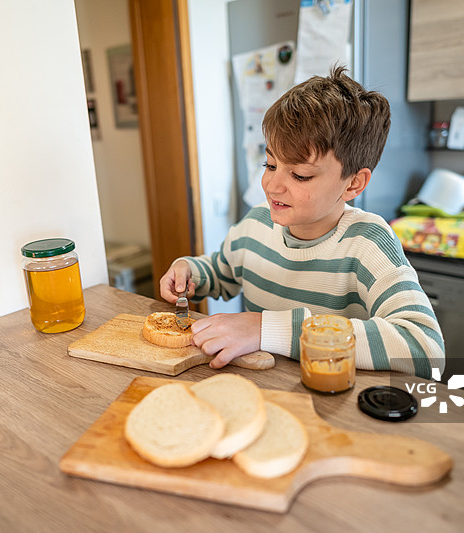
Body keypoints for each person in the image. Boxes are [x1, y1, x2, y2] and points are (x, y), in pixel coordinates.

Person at [159, 66, 445, 378]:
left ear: (353, 184)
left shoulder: (367, 243)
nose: (272, 186)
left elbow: (425, 348)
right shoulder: (256, 224)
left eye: (300, 175)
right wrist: (189, 272)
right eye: (270, 165)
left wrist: (266, 328)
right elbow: (221, 271)